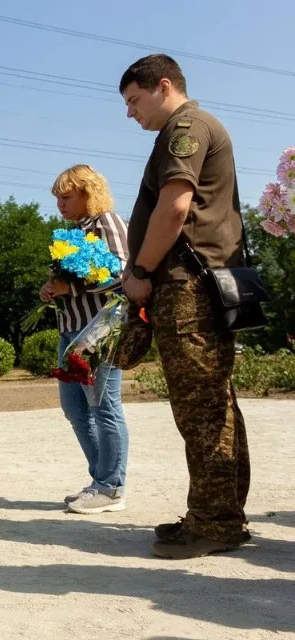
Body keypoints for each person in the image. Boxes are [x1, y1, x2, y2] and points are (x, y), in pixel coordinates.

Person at [119, 54, 250, 558]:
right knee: (214, 403)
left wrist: (143, 271)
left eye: (133, 100)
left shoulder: (186, 128)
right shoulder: (185, 128)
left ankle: (215, 522)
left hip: (187, 286)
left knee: (202, 408)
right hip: (195, 285)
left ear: (164, 86)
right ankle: (219, 513)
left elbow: (175, 208)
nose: (130, 112)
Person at [41, 164, 130, 515]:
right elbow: (71, 280)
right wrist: (51, 289)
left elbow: (124, 273)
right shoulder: (74, 231)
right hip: (70, 329)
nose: (60, 204)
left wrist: (72, 286)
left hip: (99, 330)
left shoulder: (107, 222)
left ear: (87, 193)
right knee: (75, 409)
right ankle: (100, 481)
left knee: (104, 406)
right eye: (58, 198)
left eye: (67, 196)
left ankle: (111, 487)